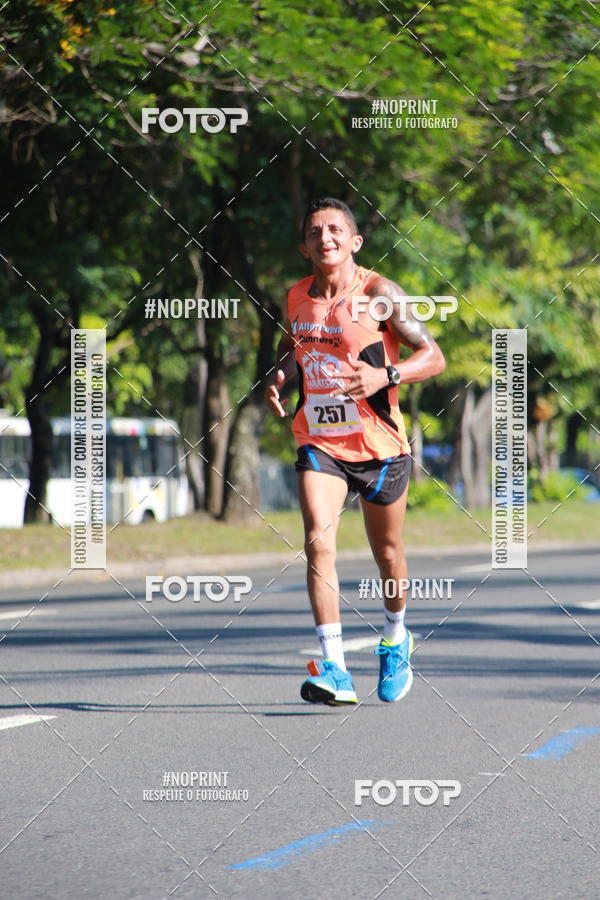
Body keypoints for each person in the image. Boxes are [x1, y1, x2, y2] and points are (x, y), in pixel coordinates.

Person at [265, 197, 445, 705]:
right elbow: (295, 346)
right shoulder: (297, 296)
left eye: (336, 229)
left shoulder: (379, 293)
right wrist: (282, 376)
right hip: (319, 440)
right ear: (304, 246)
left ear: (354, 241)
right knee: (317, 541)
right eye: (316, 231)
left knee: (387, 553)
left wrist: (384, 374)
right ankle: (336, 668)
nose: (327, 237)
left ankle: (395, 636)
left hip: (381, 445)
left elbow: (433, 358)